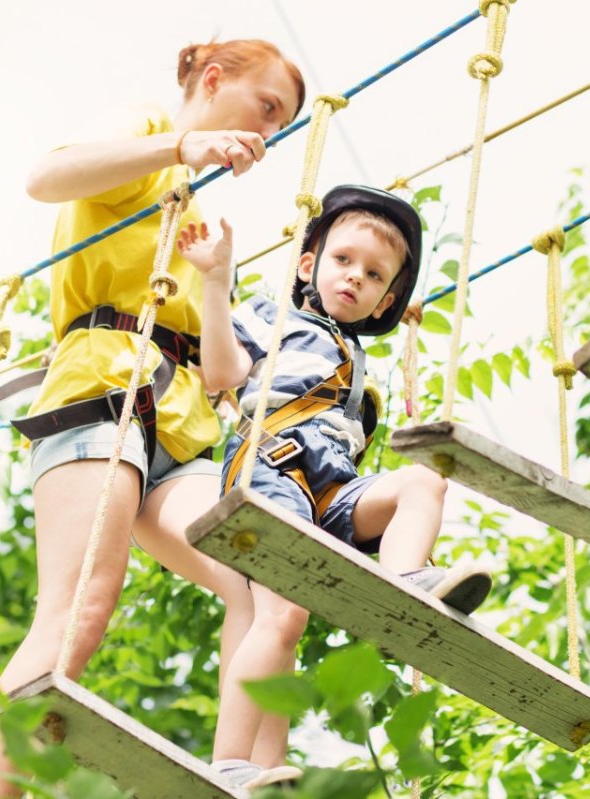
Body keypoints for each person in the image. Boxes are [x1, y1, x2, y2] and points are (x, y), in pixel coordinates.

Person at [0, 40, 305, 798]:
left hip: (181, 418)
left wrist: (218, 281)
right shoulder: (147, 135)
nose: (269, 131)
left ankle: (243, 767)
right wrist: (182, 142)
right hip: (102, 388)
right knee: (80, 606)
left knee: (261, 583)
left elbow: (222, 373)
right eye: (267, 107)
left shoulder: (197, 214)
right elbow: (45, 177)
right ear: (214, 81)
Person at [177, 184, 493, 785]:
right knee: (282, 618)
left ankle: (406, 581)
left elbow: (387, 300)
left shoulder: (356, 353)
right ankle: (230, 763)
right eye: (343, 261)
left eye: (373, 276)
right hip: (272, 471)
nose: (354, 278)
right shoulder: (271, 317)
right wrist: (217, 284)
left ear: (385, 300)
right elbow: (221, 373)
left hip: (334, 489)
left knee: (422, 481)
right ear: (307, 265)